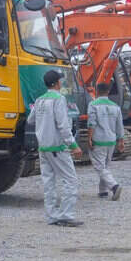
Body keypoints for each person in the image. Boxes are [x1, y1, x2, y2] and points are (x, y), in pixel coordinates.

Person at [26, 70, 84, 227]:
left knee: (48, 182)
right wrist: (73, 145)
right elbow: (63, 126)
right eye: (60, 80)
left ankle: (52, 215)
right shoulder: (59, 99)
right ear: (57, 83)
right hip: (57, 147)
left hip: (43, 147)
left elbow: (30, 119)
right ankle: (65, 215)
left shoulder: (39, 100)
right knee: (70, 180)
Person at [88, 82, 123, 201]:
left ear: (96, 91)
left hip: (99, 140)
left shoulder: (93, 105)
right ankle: (102, 191)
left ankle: (114, 186)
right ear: (108, 92)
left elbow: (91, 123)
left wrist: (89, 138)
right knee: (106, 166)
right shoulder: (115, 106)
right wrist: (121, 140)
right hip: (111, 141)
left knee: (99, 166)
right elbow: (119, 125)